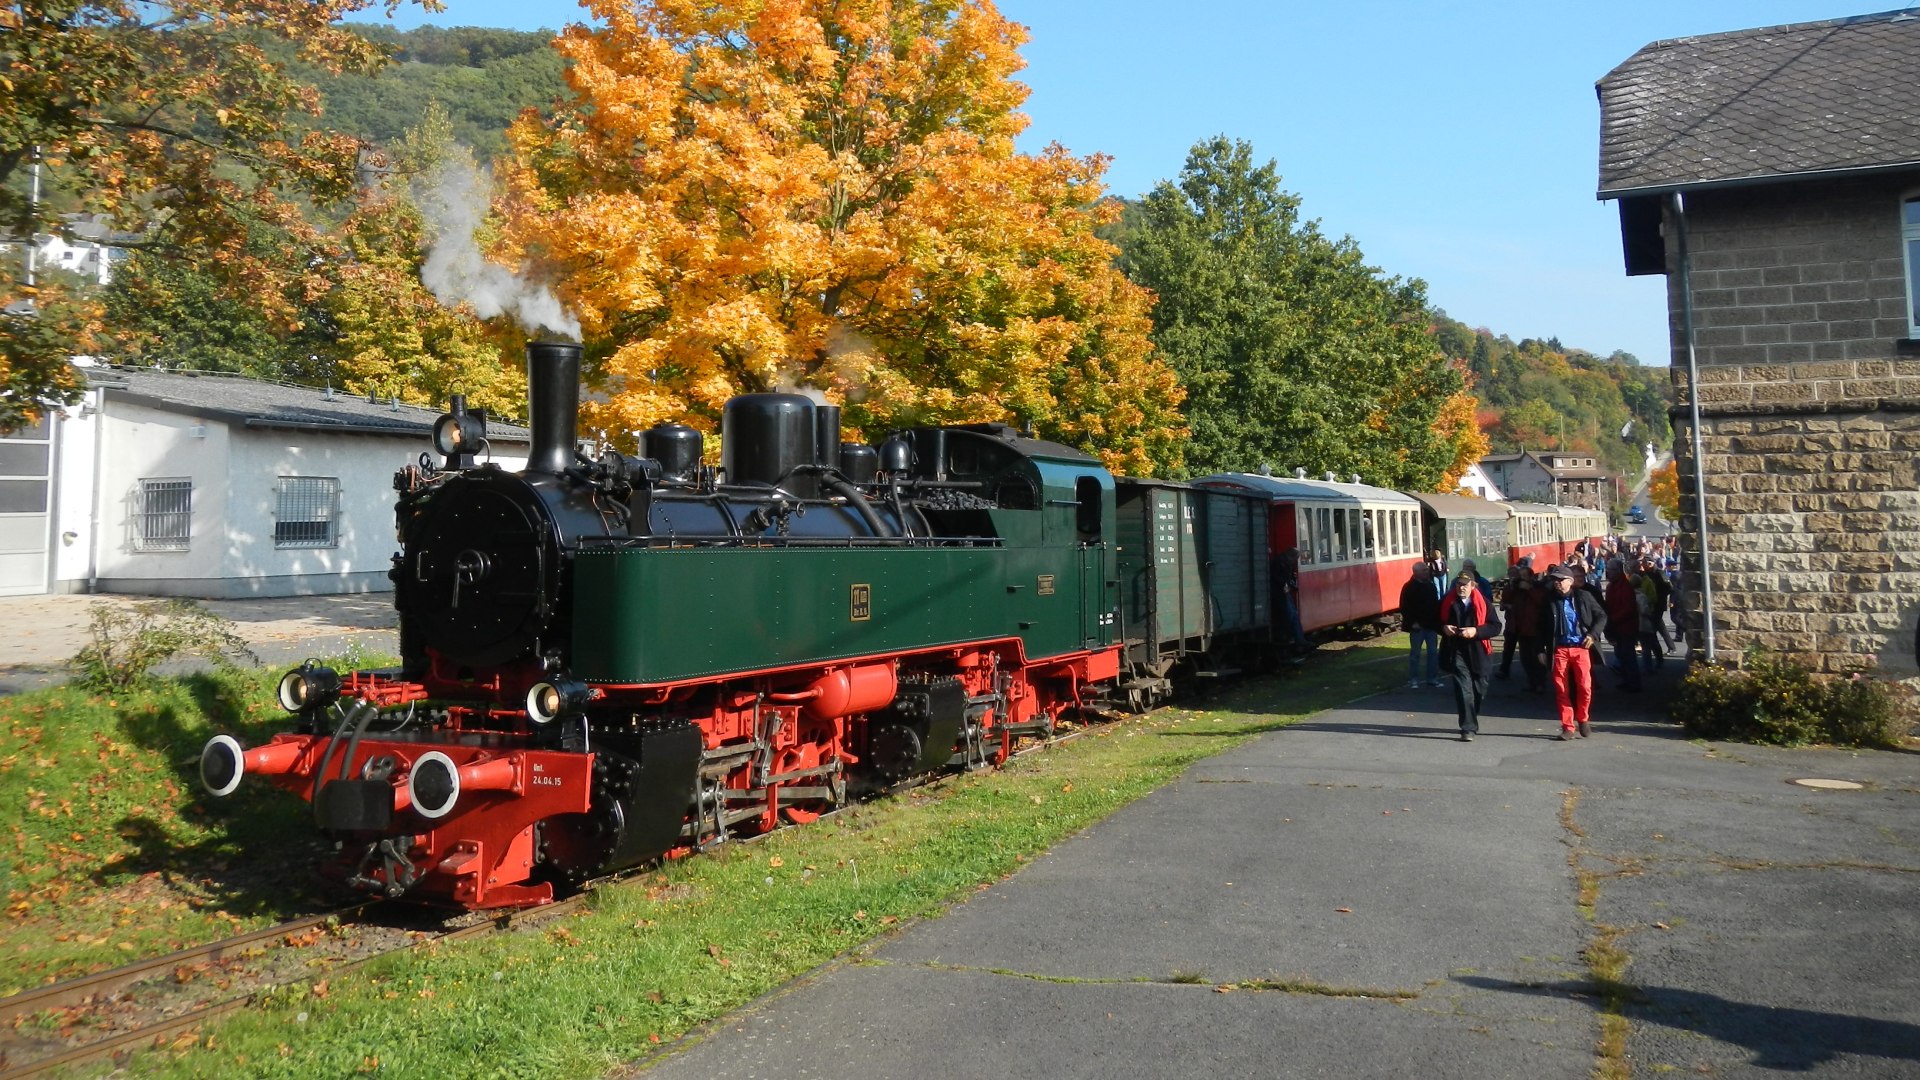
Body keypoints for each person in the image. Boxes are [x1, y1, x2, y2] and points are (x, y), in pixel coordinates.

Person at [1544, 564, 1607, 739]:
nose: (1557, 583)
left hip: (1581, 647)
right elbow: (1541, 627)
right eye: (1554, 580)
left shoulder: (1583, 596)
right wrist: (1540, 650)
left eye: (1560, 580)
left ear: (1570, 581)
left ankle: (1583, 718)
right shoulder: (1549, 600)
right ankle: (1568, 727)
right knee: (1561, 689)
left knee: (1585, 687)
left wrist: (1593, 635)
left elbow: (1602, 615)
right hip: (1560, 649)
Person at [1439, 571, 1501, 741]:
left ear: (1473, 586)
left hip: (1478, 651)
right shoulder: (1447, 602)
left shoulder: (1484, 603)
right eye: (1458, 584)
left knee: (1479, 690)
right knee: (1464, 690)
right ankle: (1468, 728)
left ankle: (1472, 715)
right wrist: (1444, 628)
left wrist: (1476, 631)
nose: (1461, 588)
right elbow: (1435, 620)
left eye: (1465, 585)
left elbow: (1496, 627)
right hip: (1456, 650)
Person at [1399, 564, 1442, 689]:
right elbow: (1404, 607)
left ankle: (1432, 678)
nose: (1426, 572)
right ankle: (1414, 679)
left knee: (1433, 653)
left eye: (1426, 570)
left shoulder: (1430, 586)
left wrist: (1437, 622)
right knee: (1415, 654)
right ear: (1416, 572)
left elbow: (1435, 605)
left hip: (1431, 625)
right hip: (1417, 626)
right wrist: (1412, 622)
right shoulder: (1409, 587)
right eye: (1424, 570)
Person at [1604, 558, 1643, 692]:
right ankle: (1627, 680)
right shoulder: (1613, 586)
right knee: (1622, 655)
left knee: (1628, 655)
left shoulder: (1624, 587)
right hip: (1618, 626)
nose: (1607, 573)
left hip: (1626, 627)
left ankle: (1633, 682)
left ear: (1618, 571)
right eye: (1607, 570)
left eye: (1610, 570)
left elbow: (1628, 608)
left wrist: (1612, 619)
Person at [1276, 547, 1309, 657]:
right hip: (1280, 593)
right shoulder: (1281, 563)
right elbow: (1278, 577)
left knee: (1293, 615)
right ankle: (1296, 639)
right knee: (1290, 615)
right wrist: (1285, 585)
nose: (1296, 561)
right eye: (1296, 558)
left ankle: (1299, 639)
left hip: (1284, 592)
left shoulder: (1284, 562)